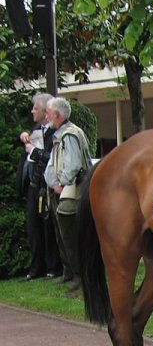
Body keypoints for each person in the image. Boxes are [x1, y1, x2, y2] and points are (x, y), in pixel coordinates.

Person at [44, 97, 92, 292]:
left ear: (57, 114)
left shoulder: (69, 134)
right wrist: (54, 183)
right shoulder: (61, 135)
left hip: (72, 192)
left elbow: (72, 166)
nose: (46, 116)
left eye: (48, 112)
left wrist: (60, 183)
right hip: (63, 190)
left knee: (70, 234)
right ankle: (69, 272)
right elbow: (51, 167)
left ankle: (79, 275)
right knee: (61, 233)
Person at [19, 92, 62, 281]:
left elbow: (52, 159)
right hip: (33, 185)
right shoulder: (36, 129)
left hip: (47, 185)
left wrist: (34, 151)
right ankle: (35, 268)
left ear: (46, 112)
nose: (32, 111)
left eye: (35, 108)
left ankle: (52, 267)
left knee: (48, 226)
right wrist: (24, 136)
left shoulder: (56, 133)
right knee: (34, 227)